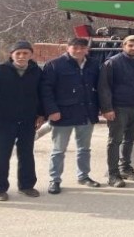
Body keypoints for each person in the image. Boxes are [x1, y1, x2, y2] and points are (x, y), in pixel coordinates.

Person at [0, 41, 45, 201]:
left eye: (25, 53)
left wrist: (41, 114)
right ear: (11, 55)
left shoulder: (37, 72)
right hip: (2, 121)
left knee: (26, 154)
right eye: (18, 53)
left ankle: (26, 186)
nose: (22, 56)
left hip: (27, 121)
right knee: (0, 156)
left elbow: (42, 95)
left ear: (31, 54)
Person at [41, 37, 101, 194]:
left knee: (84, 149)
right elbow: (46, 90)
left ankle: (84, 176)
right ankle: (54, 180)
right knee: (58, 150)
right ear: (67, 48)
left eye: (82, 48)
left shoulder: (94, 64)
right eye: (75, 47)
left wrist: (100, 108)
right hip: (62, 114)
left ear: (87, 49)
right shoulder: (54, 65)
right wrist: (51, 110)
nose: (79, 50)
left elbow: (100, 87)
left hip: (86, 113)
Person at [98, 34, 134, 187]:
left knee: (130, 139)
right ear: (123, 46)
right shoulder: (112, 63)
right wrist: (107, 108)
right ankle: (113, 175)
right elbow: (104, 87)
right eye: (130, 45)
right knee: (115, 141)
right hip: (118, 108)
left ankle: (125, 168)